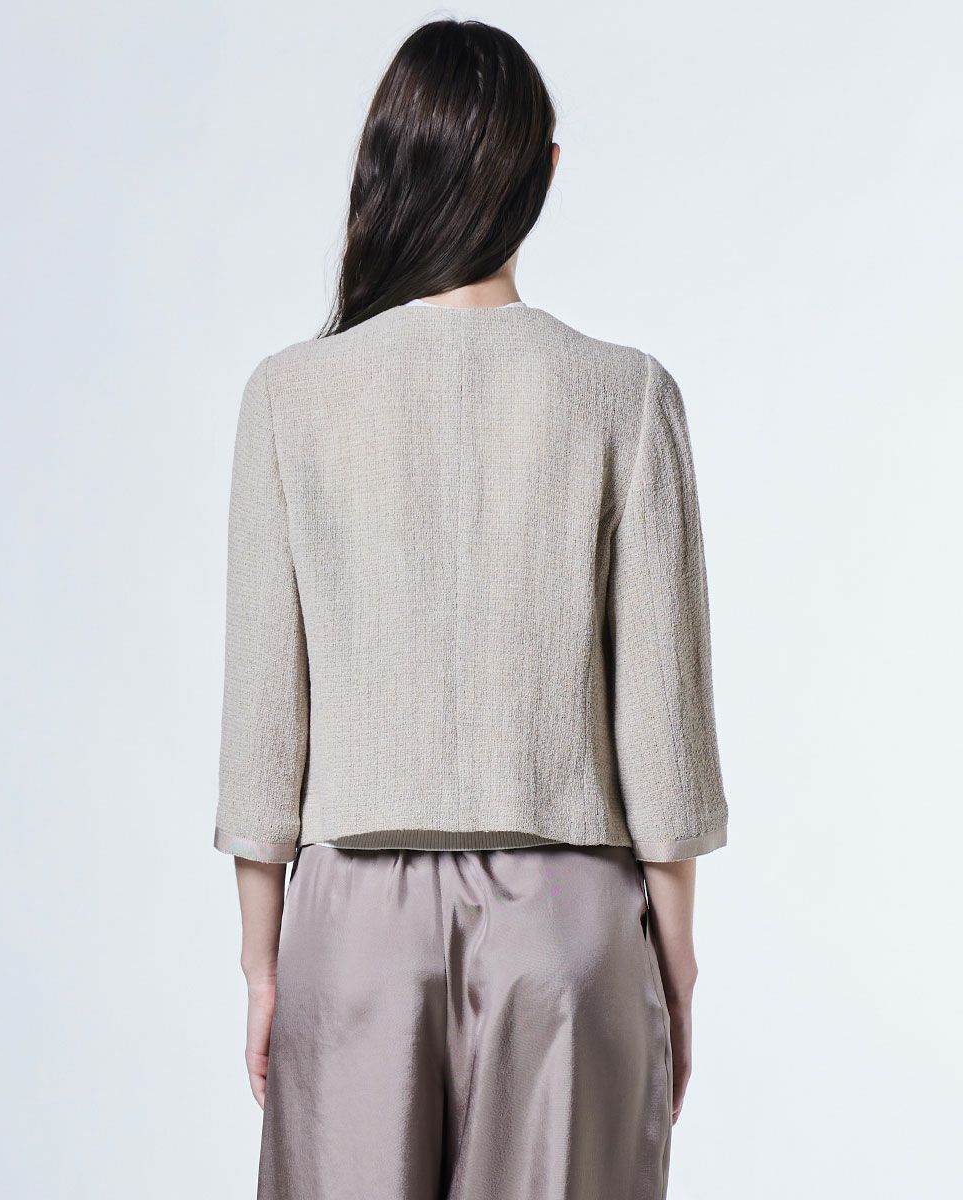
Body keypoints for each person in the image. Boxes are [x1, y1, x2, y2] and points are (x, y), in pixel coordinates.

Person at [213, 18, 728, 1200]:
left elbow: (263, 731)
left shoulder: (290, 397)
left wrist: (261, 964)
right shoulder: (624, 394)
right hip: (569, 922)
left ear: (388, 164)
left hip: (351, 928)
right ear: (542, 171)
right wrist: (677, 966)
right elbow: (663, 737)